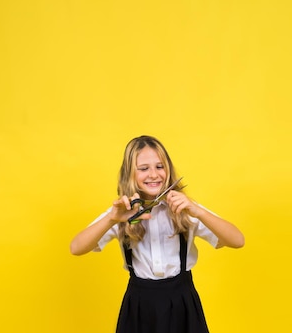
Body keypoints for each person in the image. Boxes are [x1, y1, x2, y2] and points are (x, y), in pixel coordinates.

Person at [70, 135, 245, 333]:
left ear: (168, 170)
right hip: (139, 306)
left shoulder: (184, 209)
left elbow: (237, 240)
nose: (153, 174)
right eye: (144, 168)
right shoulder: (121, 213)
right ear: (130, 174)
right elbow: (76, 248)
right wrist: (111, 219)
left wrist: (198, 211)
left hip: (183, 303)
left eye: (160, 167)